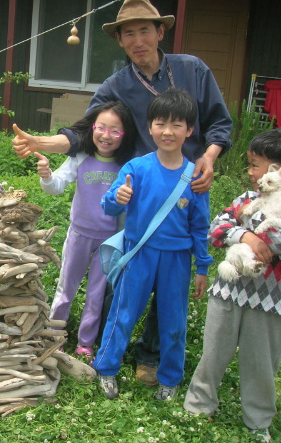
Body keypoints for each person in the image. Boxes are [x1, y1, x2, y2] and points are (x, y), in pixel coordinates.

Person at [11, 0, 232, 386]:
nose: (137, 40)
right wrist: (41, 143)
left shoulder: (192, 70)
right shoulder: (117, 84)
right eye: (128, 33)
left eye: (144, 30)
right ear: (120, 41)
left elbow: (219, 122)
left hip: (186, 187)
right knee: (126, 270)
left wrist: (210, 157)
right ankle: (105, 345)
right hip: (139, 192)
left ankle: (151, 355)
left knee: (172, 274)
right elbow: (86, 131)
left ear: (160, 32)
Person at [92, 88, 212, 401]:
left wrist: (202, 265)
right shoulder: (136, 168)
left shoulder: (194, 177)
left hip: (177, 259)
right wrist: (118, 198)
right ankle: (106, 369)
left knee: (174, 320)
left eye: (176, 125)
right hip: (139, 254)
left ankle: (170, 378)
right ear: (150, 127)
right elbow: (109, 205)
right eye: (161, 123)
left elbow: (200, 226)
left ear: (189, 130)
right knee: (124, 312)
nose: (168, 131)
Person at [184, 129, 281, 443]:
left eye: (255, 166)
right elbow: (217, 227)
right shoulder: (247, 200)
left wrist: (255, 236)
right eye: (251, 165)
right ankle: (198, 406)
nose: (250, 172)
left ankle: (258, 421)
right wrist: (247, 236)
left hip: (269, 300)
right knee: (213, 352)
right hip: (228, 291)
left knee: (261, 362)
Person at [35, 101, 137, 360]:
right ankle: (54, 334)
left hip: (109, 241)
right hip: (79, 235)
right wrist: (46, 175)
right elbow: (56, 186)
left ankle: (85, 343)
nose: (106, 135)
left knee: (96, 292)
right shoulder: (80, 158)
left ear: (125, 135)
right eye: (101, 127)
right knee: (66, 287)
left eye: (115, 130)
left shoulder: (127, 166)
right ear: (92, 128)